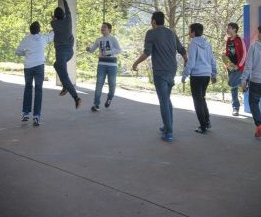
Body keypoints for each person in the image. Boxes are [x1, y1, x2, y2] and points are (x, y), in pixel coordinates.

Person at [132, 11, 187, 142]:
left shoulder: (151, 33)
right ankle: (167, 126)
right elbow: (181, 49)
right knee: (166, 99)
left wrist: (135, 63)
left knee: (163, 101)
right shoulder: (171, 32)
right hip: (172, 70)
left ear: (154, 21)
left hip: (160, 71)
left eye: (151, 21)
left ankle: (168, 132)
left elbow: (147, 52)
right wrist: (186, 60)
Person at [15, 21, 54, 126]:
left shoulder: (26, 39)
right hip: (39, 66)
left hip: (28, 67)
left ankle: (25, 113)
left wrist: (26, 52)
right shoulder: (43, 38)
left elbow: (17, 51)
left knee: (28, 88)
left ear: (30, 30)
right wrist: (54, 23)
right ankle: (36, 116)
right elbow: (52, 35)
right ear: (39, 29)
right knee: (38, 90)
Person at [182, 23, 217, 134]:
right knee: (202, 98)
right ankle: (207, 122)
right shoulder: (207, 44)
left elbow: (191, 61)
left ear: (193, 32)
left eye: (189, 30)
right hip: (206, 74)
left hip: (196, 76)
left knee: (198, 101)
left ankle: (203, 126)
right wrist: (213, 74)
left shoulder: (193, 44)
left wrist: (184, 75)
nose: (188, 32)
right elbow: (212, 60)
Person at [51, 0, 81, 109]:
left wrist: (54, 19)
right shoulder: (68, 20)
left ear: (55, 16)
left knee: (65, 76)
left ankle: (76, 97)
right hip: (70, 52)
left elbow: (54, 22)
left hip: (61, 54)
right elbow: (68, 10)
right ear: (63, 15)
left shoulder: (54, 23)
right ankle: (65, 86)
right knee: (56, 65)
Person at [86, 22, 121, 111]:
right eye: (101, 27)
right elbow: (93, 49)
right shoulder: (98, 40)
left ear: (109, 29)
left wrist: (108, 52)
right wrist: (89, 49)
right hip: (101, 64)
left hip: (112, 65)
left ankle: (110, 98)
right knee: (99, 84)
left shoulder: (113, 39)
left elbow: (118, 50)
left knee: (112, 84)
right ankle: (96, 104)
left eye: (104, 27)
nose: (102, 28)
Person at [241, 26, 261, 138]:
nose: (257, 34)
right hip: (256, 80)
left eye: (258, 32)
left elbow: (248, 66)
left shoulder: (254, 46)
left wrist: (243, 80)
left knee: (253, 103)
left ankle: (259, 125)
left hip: (256, 80)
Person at [224, 22, 246, 116]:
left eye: (229, 28)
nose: (227, 29)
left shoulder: (239, 39)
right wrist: (226, 64)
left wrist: (239, 65)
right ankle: (235, 108)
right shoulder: (228, 40)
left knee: (231, 84)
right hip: (230, 67)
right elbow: (227, 53)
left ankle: (244, 82)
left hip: (238, 67)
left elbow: (244, 54)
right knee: (233, 88)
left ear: (234, 29)